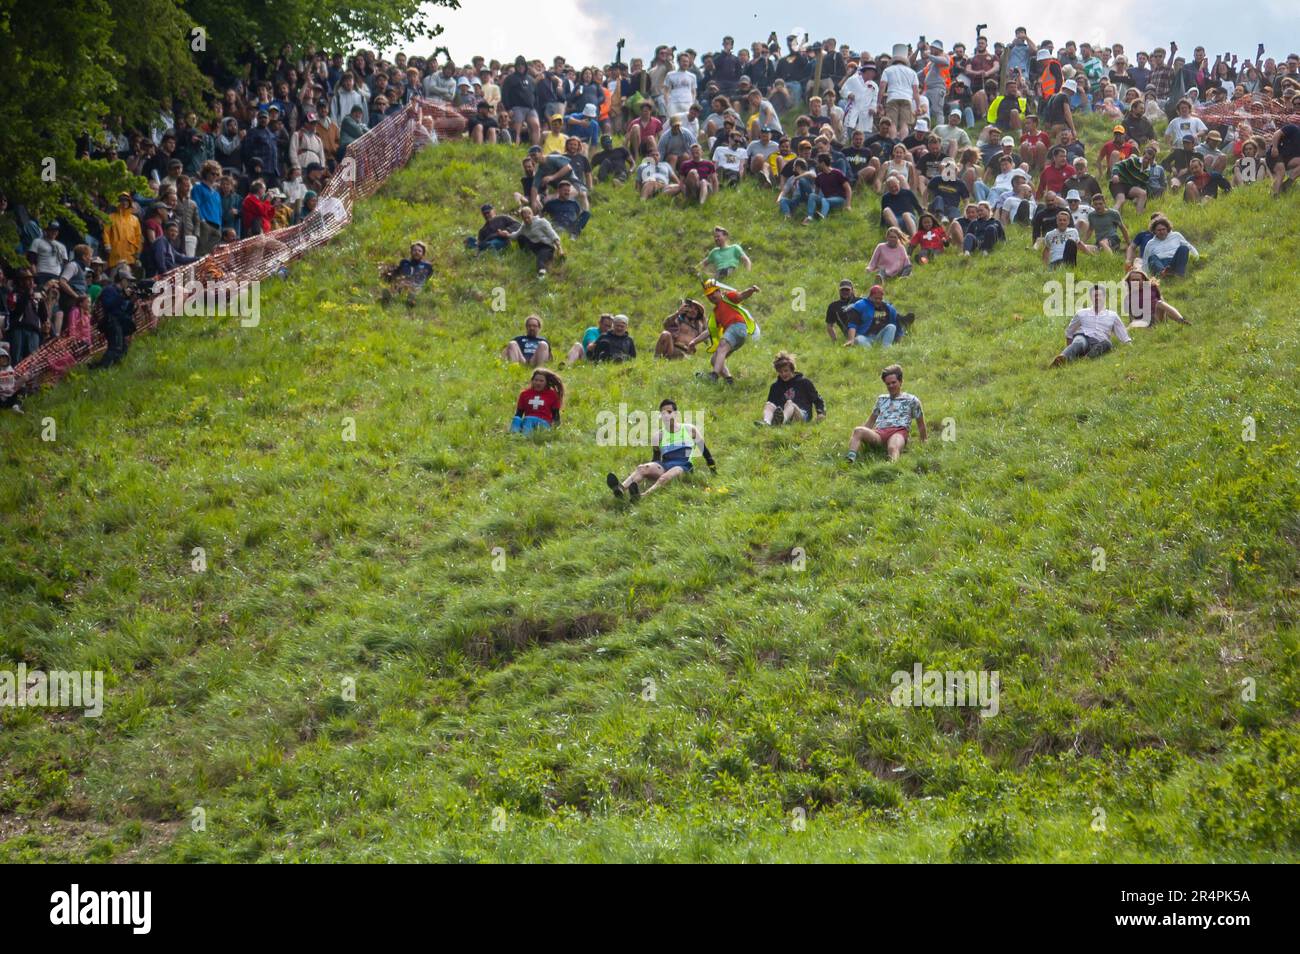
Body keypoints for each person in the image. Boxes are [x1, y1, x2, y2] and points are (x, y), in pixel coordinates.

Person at [606, 399, 715, 501]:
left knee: (666, 476)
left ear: (676, 414)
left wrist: (713, 470)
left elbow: (705, 451)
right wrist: (649, 472)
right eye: (663, 413)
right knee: (642, 468)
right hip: (665, 465)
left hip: (684, 466)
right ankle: (620, 489)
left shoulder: (689, 429)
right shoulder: (658, 436)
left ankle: (641, 497)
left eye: (669, 411)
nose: (666, 415)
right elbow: (656, 459)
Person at [846, 363, 926, 463]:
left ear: (901, 382)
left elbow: (921, 424)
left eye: (893, 382)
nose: (891, 386)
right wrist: (859, 436)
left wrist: (924, 442)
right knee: (858, 430)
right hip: (880, 433)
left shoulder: (912, 400)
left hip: (899, 432)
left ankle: (893, 468)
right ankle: (849, 460)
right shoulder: (882, 399)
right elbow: (871, 421)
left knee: (893, 447)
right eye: (888, 384)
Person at [691, 278, 759, 384]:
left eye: (713, 293)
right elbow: (710, 331)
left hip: (737, 327)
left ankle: (714, 376)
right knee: (714, 360)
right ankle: (729, 380)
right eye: (709, 296)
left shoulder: (728, 297)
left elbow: (741, 296)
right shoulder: (715, 312)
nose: (711, 297)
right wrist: (694, 342)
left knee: (722, 346)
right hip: (737, 337)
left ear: (719, 291)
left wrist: (751, 290)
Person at [1049, 283, 1131, 367]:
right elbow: (1069, 332)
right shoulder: (1081, 313)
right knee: (1079, 341)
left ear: (1104, 297)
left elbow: (1124, 336)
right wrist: (1070, 348)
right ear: (1091, 298)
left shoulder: (1112, 315)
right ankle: (1063, 358)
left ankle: (1086, 359)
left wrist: (1130, 347)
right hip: (1083, 338)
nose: (1097, 298)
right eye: (1094, 295)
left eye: (1099, 295)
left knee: (1108, 343)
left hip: (1099, 342)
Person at [758, 351, 825, 426]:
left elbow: (817, 400)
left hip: (802, 415)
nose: (783, 374)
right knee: (769, 404)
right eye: (780, 372)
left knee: (790, 404)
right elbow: (773, 405)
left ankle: (781, 422)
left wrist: (821, 413)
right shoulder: (775, 386)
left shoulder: (804, 382)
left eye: (786, 371)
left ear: (792, 369)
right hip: (783, 412)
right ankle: (766, 422)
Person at [498, 206, 564, 279]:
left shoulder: (542, 222)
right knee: (521, 237)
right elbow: (516, 235)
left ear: (532, 214)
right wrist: (507, 234)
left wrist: (560, 249)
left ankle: (541, 274)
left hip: (546, 246)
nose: (527, 220)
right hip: (535, 246)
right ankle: (526, 254)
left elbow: (553, 235)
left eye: (528, 217)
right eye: (524, 218)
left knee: (540, 259)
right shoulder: (524, 226)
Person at [841, 284, 911, 348]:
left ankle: (886, 349)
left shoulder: (888, 308)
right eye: (875, 298)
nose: (878, 301)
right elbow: (852, 324)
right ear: (870, 297)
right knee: (860, 340)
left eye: (880, 299)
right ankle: (870, 350)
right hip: (864, 337)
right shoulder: (860, 305)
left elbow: (898, 325)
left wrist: (899, 342)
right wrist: (850, 340)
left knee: (891, 327)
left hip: (879, 336)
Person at [1123, 266, 1190, 329]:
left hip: (1157, 315)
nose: (1135, 282)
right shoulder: (1129, 296)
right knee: (1132, 325)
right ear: (1129, 282)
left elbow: (1162, 301)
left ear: (1143, 280)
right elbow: (1132, 316)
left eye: (1138, 280)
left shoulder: (1152, 288)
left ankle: (1181, 321)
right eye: (1133, 280)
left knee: (1159, 303)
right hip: (1143, 320)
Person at [510, 368, 564, 434]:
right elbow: (519, 413)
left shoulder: (552, 395)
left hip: (544, 424)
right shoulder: (524, 394)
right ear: (532, 381)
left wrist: (554, 431)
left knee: (529, 419)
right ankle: (513, 436)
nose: (538, 383)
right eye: (536, 380)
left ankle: (526, 438)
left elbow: (556, 416)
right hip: (527, 422)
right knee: (516, 419)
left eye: (541, 381)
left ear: (546, 382)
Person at [806, 153, 852, 222]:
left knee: (825, 200)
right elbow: (816, 193)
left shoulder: (837, 173)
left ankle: (822, 217)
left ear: (823, 163)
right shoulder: (819, 176)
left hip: (840, 199)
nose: (817, 165)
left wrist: (848, 205)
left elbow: (848, 189)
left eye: (818, 163)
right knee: (812, 195)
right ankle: (809, 217)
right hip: (826, 199)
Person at [1268, 123, 1300, 196]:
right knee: (1281, 172)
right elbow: (1277, 134)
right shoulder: (1293, 128)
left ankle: (1287, 184)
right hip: (1276, 154)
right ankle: (1274, 195)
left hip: (1288, 159)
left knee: (1281, 170)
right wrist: (1274, 147)